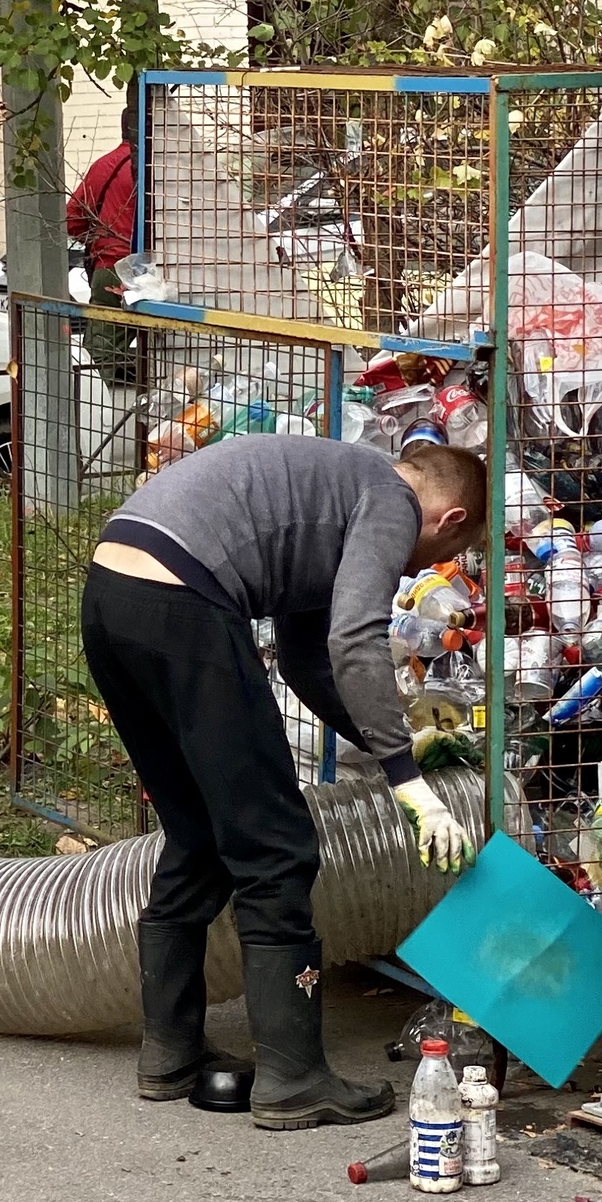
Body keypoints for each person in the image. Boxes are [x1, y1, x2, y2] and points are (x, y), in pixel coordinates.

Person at [81, 434, 485, 1131]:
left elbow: (308, 661)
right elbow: (353, 640)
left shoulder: (332, 497)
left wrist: (401, 744)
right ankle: (294, 1079)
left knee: (201, 831)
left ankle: (170, 1053)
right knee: (276, 844)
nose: (420, 567)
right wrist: (407, 784)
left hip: (114, 596)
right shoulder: (390, 499)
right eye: (441, 555)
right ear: (449, 521)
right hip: (185, 601)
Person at [66, 110, 139, 381]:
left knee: (97, 357)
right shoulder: (168, 167)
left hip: (114, 268)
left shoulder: (106, 166)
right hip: (166, 274)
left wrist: (99, 241)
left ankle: (91, 417)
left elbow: (72, 219)